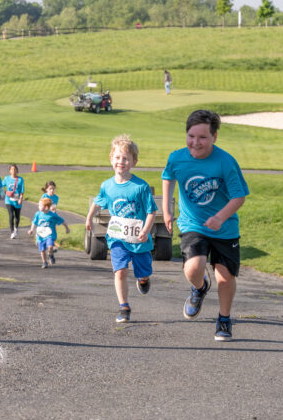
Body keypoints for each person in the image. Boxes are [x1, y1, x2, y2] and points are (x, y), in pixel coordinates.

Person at [162, 109, 249, 341]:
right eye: (191, 136)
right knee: (193, 268)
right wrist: (167, 210)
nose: (195, 142)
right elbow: (168, 176)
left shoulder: (226, 162)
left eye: (202, 137)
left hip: (225, 228)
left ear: (214, 137)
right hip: (193, 224)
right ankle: (200, 287)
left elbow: (239, 196)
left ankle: (224, 318)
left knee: (225, 277)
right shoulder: (177, 157)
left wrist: (220, 217)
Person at [85, 134, 157, 323]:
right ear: (111, 159)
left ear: (134, 161)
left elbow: (151, 211)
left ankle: (143, 280)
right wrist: (89, 217)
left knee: (143, 272)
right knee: (120, 271)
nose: (121, 162)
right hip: (117, 238)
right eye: (117, 157)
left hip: (139, 239)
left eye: (125, 158)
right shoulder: (107, 186)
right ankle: (124, 306)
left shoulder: (140, 187)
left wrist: (146, 230)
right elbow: (98, 202)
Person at [28, 197, 70, 268]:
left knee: (50, 246)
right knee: (42, 250)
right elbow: (34, 222)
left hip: (50, 234)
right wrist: (31, 230)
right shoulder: (38, 214)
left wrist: (67, 228)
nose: (38, 207)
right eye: (39, 205)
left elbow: (62, 221)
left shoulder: (52, 215)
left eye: (40, 205)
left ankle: (50, 254)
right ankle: (44, 262)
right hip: (40, 235)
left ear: (46, 207)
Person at [3, 164, 25, 238]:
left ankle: (16, 228)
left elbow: (22, 190)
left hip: (17, 200)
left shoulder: (20, 179)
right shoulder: (6, 179)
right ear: (9, 171)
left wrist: (21, 198)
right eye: (12, 169)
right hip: (9, 201)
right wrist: (6, 192)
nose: (13, 170)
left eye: (15, 169)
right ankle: (12, 231)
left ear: (17, 171)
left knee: (17, 217)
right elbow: (0, 187)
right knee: (11, 215)